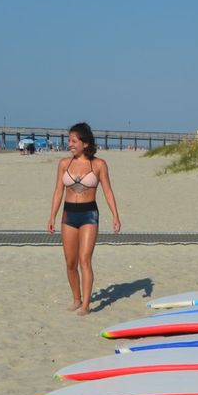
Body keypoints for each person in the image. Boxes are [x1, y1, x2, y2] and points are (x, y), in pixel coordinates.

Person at [48, 122, 121, 314]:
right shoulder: (64, 164)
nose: (70, 144)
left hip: (89, 214)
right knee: (70, 262)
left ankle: (87, 305)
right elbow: (58, 191)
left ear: (85, 143)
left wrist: (115, 216)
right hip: (68, 214)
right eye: (69, 140)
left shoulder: (98, 165)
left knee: (84, 260)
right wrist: (52, 216)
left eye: (74, 141)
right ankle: (76, 299)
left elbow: (107, 191)